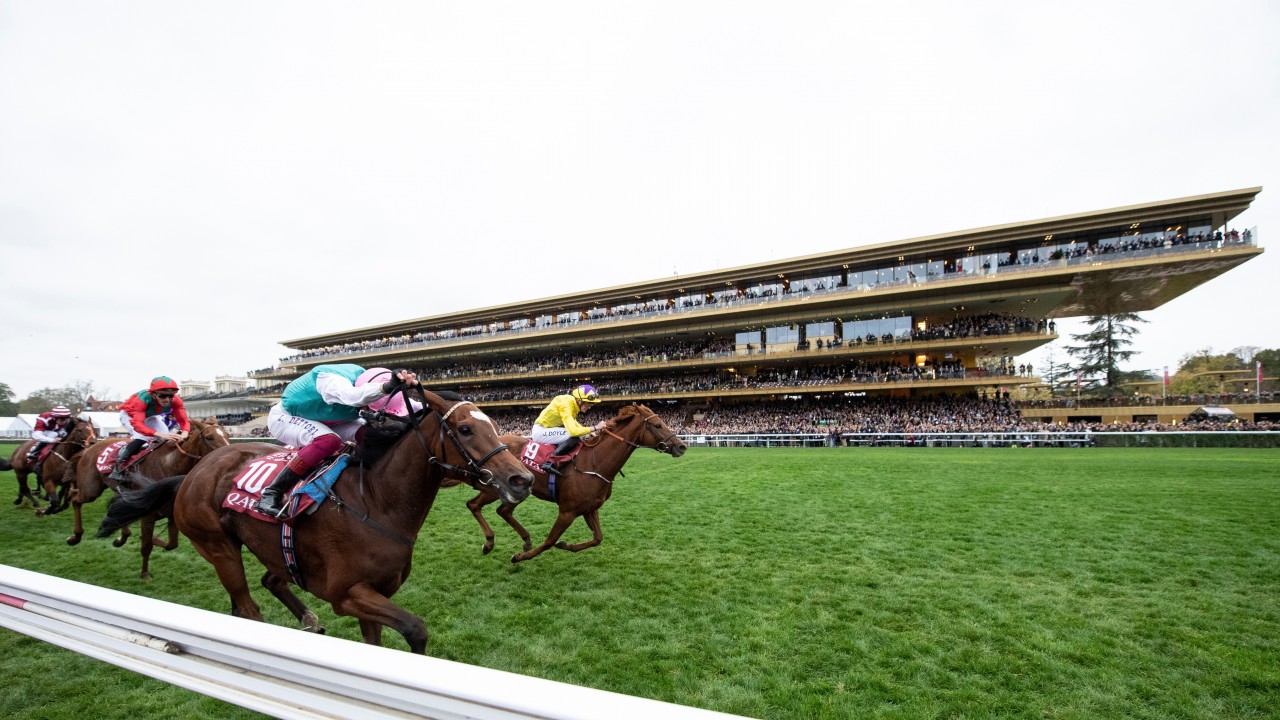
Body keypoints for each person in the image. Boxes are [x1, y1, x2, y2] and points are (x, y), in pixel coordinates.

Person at [256, 364, 419, 517]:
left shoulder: (368, 379)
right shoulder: (333, 381)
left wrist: (432, 398)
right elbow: (355, 397)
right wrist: (387, 387)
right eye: (370, 408)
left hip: (330, 419)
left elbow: (413, 405)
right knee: (329, 441)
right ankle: (272, 493)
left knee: (370, 434)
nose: (370, 412)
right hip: (286, 417)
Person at [111, 377, 190, 480]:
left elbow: (184, 421)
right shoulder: (142, 399)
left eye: (170, 395)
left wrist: (184, 435)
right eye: (162, 396)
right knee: (143, 437)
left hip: (151, 416)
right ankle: (118, 467)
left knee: (165, 438)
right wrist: (160, 434)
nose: (167, 399)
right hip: (131, 416)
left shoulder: (176, 401)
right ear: (153, 394)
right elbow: (138, 425)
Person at [531, 384, 605, 472]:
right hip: (540, 431)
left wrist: (588, 432)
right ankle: (549, 462)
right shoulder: (566, 404)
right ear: (579, 400)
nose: (589, 407)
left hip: (547, 430)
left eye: (591, 405)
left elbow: (574, 422)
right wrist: (596, 427)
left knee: (582, 435)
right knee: (574, 436)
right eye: (588, 404)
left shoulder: (573, 404)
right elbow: (573, 431)